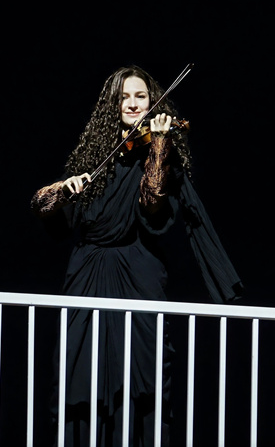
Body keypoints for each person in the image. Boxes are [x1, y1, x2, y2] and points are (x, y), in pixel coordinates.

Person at [30, 65, 243, 446]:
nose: (132, 103)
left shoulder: (161, 154)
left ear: (151, 102)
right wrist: (63, 189)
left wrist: (159, 145)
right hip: (87, 273)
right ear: (112, 106)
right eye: (124, 97)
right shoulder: (92, 159)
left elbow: (152, 206)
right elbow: (40, 207)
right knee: (78, 376)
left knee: (143, 376)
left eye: (140, 96)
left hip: (139, 272)